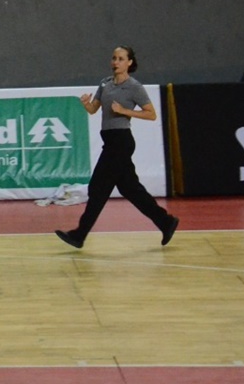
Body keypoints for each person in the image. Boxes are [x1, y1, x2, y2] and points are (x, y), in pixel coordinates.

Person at [55, 46, 179, 249]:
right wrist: (86, 103)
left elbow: (151, 114)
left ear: (129, 62)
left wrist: (125, 111)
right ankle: (165, 221)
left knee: (98, 187)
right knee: (131, 189)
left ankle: (80, 234)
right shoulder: (105, 83)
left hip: (121, 142)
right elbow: (94, 110)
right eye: (114, 58)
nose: (115, 62)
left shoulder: (134, 87)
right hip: (110, 140)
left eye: (121, 58)